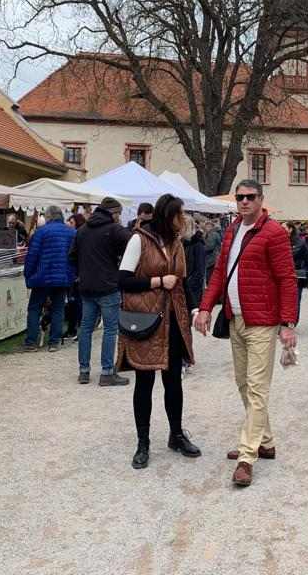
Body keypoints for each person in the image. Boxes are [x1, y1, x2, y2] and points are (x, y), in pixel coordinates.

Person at [195, 180, 297, 488]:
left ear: (261, 200)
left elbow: (286, 279)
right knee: (243, 383)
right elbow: (219, 273)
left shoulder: (274, 232)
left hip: (262, 321)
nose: (243, 202)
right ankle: (264, 441)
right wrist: (204, 307)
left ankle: (247, 457)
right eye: (239, 197)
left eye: (250, 197)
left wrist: (288, 323)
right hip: (236, 318)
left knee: (256, 387)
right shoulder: (231, 231)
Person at [117, 194, 202, 469]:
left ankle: (176, 435)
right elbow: (123, 281)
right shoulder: (138, 240)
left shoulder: (177, 243)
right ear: (168, 216)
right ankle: (143, 443)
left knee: (173, 381)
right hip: (147, 320)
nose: (183, 219)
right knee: (144, 382)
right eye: (180, 214)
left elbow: (183, 283)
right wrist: (157, 281)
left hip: (174, 321)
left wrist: (195, 310)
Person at [69, 197, 131, 385]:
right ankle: (106, 373)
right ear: (112, 212)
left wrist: (82, 272)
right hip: (108, 286)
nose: (119, 217)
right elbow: (134, 244)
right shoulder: (114, 229)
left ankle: (84, 371)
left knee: (86, 329)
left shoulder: (82, 231)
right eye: (118, 214)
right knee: (110, 329)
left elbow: (72, 257)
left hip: (87, 287)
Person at [22, 206, 76, 353]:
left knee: (34, 308)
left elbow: (32, 256)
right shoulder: (72, 232)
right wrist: (72, 275)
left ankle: (31, 342)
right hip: (62, 278)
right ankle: (54, 342)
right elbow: (75, 257)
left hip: (41, 277)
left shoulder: (41, 232)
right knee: (58, 309)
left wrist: (28, 275)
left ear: (49, 216)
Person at [289, 223, 308, 320]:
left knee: (296, 298)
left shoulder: (300, 242)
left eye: (284, 228)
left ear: (290, 229)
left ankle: (293, 320)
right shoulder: (279, 241)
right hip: (283, 274)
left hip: (297, 273)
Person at [182, 214, 206, 309]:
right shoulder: (181, 243)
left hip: (192, 292)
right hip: (182, 291)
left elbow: (199, 271)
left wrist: (187, 285)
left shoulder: (197, 244)